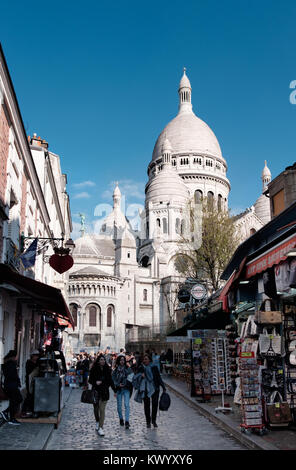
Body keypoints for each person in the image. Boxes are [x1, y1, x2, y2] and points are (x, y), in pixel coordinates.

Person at [88, 354, 116, 436]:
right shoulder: (94, 369)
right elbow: (90, 380)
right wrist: (95, 382)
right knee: (96, 409)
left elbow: (110, 380)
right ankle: (97, 421)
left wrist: (115, 390)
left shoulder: (108, 369)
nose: (102, 361)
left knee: (102, 409)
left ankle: (101, 427)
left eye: (103, 360)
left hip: (104, 392)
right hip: (96, 391)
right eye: (101, 360)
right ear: (98, 361)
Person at [137, 353, 166, 428]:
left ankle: (154, 420)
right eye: (144, 359)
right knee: (146, 405)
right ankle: (148, 422)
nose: (144, 360)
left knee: (155, 404)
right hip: (146, 388)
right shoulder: (141, 367)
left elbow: (158, 377)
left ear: (150, 360)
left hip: (155, 388)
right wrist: (141, 375)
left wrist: (163, 387)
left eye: (146, 359)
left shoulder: (154, 367)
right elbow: (136, 377)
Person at [0, 350, 23, 425]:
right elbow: (12, 375)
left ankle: (6, 413)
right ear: (14, 356)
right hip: (12, 385)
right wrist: (17, 382)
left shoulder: (6, 363)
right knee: (16, 400)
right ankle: (11, 418)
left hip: (8, 385)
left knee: (16, 400)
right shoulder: (11, 364)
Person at [112, 355, 133, 429]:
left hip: (126, 389)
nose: (122, 361)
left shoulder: (128, 369)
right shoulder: (115, 370)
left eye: (123, 360)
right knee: (119, 406)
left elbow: (131, 377)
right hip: (118, 389)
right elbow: (113, 380)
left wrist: (126, 383)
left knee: (126, 405)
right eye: (120, 360)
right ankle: (121, 418)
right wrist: (118, 384)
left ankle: (127, 421)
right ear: (118, 361)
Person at [22, 349, 40, 414]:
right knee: (29, 394)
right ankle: (24, 409)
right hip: (29, 380)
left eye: (37, 356)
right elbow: (30, 372)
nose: (37, 357)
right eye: (35, 355)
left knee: (33, 395)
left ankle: (31, 409)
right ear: (32, 356)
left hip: (35, 381)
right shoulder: (29, 362)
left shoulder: (37, 362)